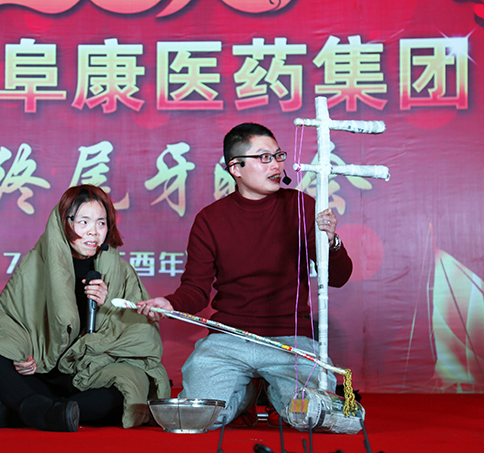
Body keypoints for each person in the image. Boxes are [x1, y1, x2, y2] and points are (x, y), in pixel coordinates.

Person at [137, 123, 353, 429]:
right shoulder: (210, 220)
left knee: (312, 416)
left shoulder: (301, 207)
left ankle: (274, 393)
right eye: (264, 158)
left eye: (278, 156)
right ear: (235, 168)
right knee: (199, 418)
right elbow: (195, 290)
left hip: (290, 340)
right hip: (229, 339)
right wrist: (170, 304)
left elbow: (338, 278)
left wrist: (331, 242)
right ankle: (246, 395)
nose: (276, 165)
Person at [0, 185, 170, 431]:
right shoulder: (35, 264)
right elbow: (9, 321)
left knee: (129, 388)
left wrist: (106, 305)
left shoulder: (122, 273)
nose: (93, 232)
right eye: (84, 222)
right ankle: (53, 412)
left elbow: (139, 335)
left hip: (92, 372)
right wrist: (24, 356)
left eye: (101, 223)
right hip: (42, 373)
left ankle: (23, 413)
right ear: (64, 222)